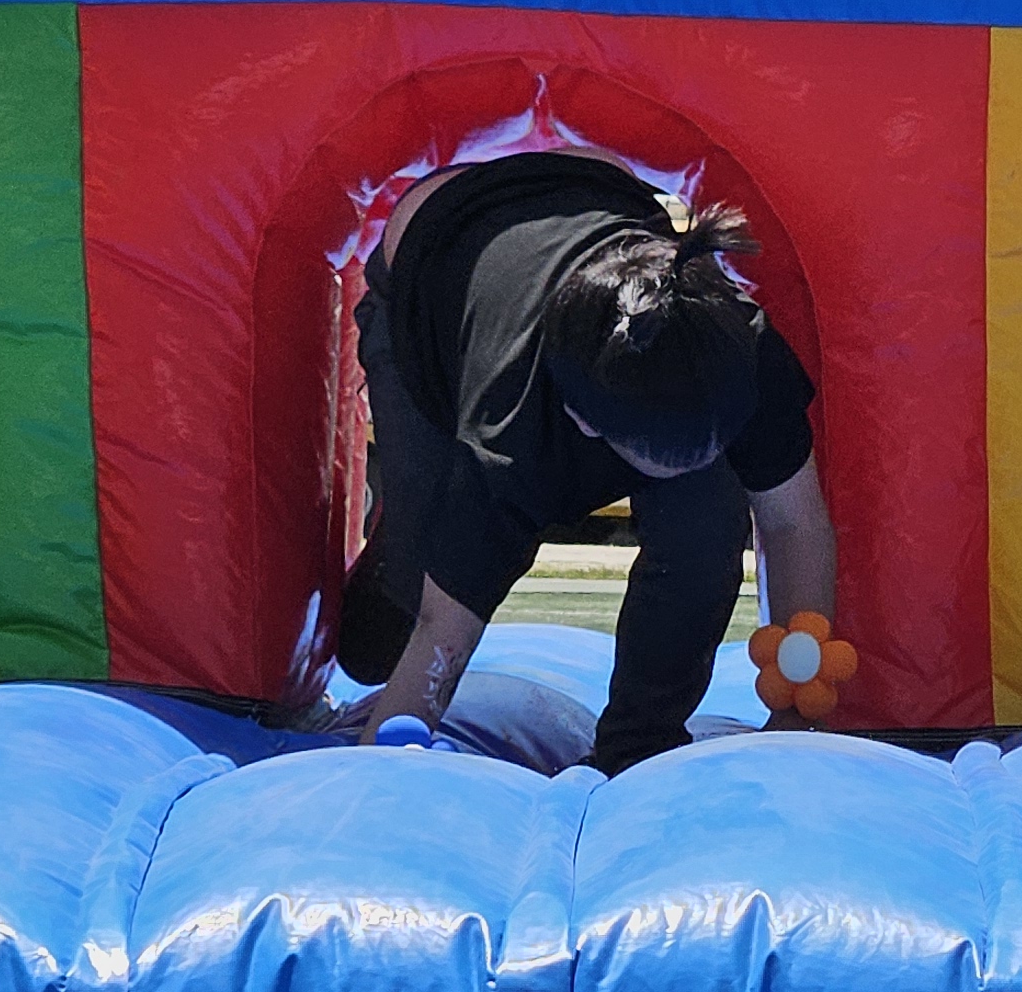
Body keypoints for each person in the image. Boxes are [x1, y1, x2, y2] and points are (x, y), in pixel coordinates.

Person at [336, 150, 838, 772]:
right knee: (390, 626)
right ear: (585, 424)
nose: (696, 465)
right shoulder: (507, 437)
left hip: (595, 215)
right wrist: (385, 762)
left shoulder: (740, 351)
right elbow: (443, 633)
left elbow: (795, 524)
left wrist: (798, 711)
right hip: (428, 269)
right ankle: (403, 537)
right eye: (664, 459)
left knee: (705, 527)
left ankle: (639, 740)